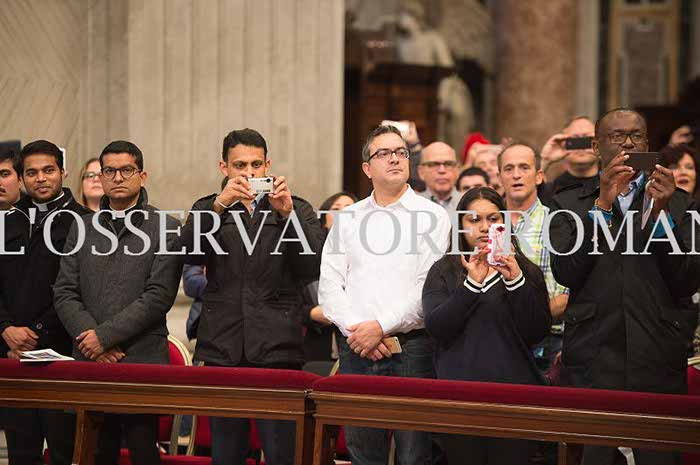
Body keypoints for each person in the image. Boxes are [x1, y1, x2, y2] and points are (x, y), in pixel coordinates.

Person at [549, 108, 700, 465]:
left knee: (659, 457)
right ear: (597, 147)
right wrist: (602, 205)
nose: (628, 143)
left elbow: (686, 280)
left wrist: (660, 215)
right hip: (593, 355)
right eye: (617, 136)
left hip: (656, 351)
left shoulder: (679, 201)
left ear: (647, 145)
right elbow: (567, 272)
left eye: (636, 136)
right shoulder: (568, 202)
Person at [178, 128, 324, 465]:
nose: (249, 173)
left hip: (277, 347)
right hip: (222, 346)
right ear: (224, 167)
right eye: (240, 165)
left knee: (280, 452)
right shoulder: (208, 208)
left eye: (256, 164)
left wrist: (287, 216)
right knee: (226, 452)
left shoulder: (295, 207)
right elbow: (186, 252)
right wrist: (219, 205)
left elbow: (312, 265)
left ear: (268, 165)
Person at [319, 125, 451, 465]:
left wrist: (380, 327)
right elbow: (329, 286)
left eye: (400, 152)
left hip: (412, 350)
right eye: (384, 153)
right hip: (356, 350)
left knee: (414, 456)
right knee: (363, 455)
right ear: (367, 168)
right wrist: (358, 331)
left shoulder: (432, 216)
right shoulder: (348, 218)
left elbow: (427, 289)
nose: (394, 158)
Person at [54, 140, 183, 465]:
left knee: (143, 452)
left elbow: (159, 295)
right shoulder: (82, 227)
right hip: (90, 358)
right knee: (97, 452)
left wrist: (104, 337)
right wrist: (92, 340)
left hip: (140, 356)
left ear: (142, 175)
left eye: (126, 170)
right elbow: (64, 291)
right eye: (109, 171)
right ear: (101, 177)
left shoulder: (166, 227)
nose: (118, 177)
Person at [423, 187, 550, 465]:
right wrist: (472, 285)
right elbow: (437, 327)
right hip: (459, 399)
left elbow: (537, 331)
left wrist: (515, 281)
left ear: (505, 223)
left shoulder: (525, 271)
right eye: (474, 219)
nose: (484, 227)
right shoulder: (443, 271)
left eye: (493, 219)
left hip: (514, 398)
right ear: (461, 225)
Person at [0, 140, 90, 465]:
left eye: (48, 170)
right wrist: (6, 329)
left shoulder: (84, 222)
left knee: (64, 452)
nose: (40, 178)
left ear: (63, 172)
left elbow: (80, 290)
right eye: (32, 172)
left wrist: (36, 332)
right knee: (21, 454)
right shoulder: (7, 221)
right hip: (11, 355)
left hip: (61, 355)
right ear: (22, 177)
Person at [498, 143, 569, 371]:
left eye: (524, 167)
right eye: (508, 169)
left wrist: (532, 318)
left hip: (548, 340)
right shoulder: (488, 224)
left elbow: (570, 293)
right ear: (500, 178)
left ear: (539, 176)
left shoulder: (559, 222)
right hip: (496, 338)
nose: (516, 175)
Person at [304, 191, 358, 363]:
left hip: (358, 339)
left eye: (349, 209)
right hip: (317, 344)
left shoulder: (369, 255)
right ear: (323, 219)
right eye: (336, 209)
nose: (343, 214)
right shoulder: (307, 255)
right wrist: (310, 313)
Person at [539, 117, 599, 206]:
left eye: (588, 139)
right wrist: (545, 161)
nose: (581, 146)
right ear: (564, 142)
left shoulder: (613, 186)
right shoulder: (552, 191)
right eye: (574, 140)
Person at [418, 142, 461, 215]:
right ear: (421, 172)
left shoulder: (471, 205)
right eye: (434, 164)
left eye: (448, 164)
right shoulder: (410, 206)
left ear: (457, 170)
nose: (442, 170)